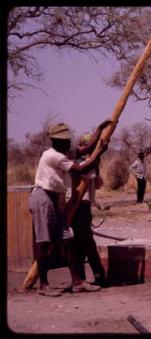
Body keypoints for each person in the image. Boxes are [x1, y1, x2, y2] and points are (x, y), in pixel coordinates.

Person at [28, 121, 110, 297]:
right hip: (42, 198)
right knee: (43, 243)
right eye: (65, 141)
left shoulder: (62, 152)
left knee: (69, 239)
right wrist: (99, 153)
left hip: (53, 199)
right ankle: (43, 285)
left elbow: (85, 149)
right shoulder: (54, 156)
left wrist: (99, 130)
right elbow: (82, 168)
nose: (68, 143)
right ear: (56, 142)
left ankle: (77, 282)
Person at [70, 132, 108, 287]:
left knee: (83, 243)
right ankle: (91, 277)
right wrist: (97, 157)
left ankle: (89, 276)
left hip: (84, 205)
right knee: (85, 243)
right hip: (77, 206)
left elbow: (97, 183)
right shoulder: (79, 163)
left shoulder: (90, 163)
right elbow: (88, 176)